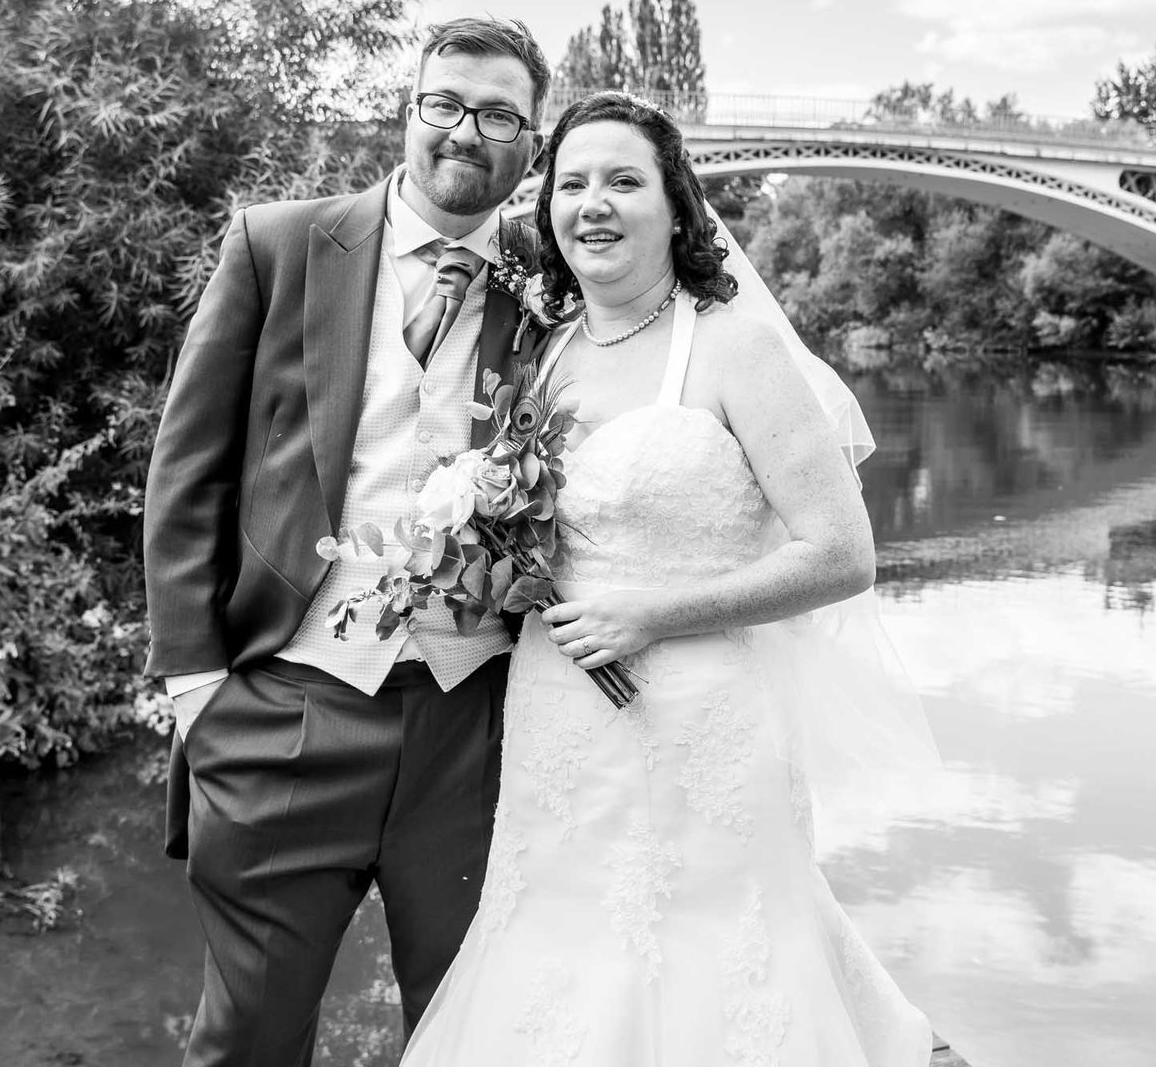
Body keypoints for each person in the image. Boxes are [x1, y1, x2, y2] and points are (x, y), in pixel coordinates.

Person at [400, 91, 937, 1066]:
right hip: (560, 713)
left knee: (713, 956)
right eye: (571, 183)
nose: (592, 203)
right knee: (560, 945)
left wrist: (656, 612)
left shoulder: (736, 347)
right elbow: (534, 532)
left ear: (678, 205)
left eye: (623, 180)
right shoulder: (545, 353)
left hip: (706, 723)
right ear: (549, 210)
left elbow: (842, 552)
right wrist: (474, 556)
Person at [141, 17, 552, 1064]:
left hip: (477, 727)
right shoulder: (277, 244)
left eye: (501, 113)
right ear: (408, 111)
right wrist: (198, 695)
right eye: (446, 103)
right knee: (247, 1042)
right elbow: (187, 475)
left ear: (531, 142)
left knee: (473, 1037)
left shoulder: (554, 289)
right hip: (285, 707)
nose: (469, 130)